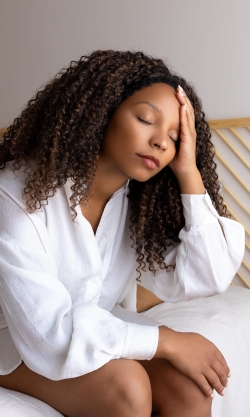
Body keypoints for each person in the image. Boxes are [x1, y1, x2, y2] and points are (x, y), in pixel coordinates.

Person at [0, 50, 245, 417]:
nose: (162, 142)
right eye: (147, 119)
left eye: (176, 137)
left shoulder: (135, 203)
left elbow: (205, 278)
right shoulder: (17, 196)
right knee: (127, 387)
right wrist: (168, 341)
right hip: (15, 341)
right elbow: (47, 332)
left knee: (190, 385)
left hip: (80, 331)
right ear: (101, 112)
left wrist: (189, 173)